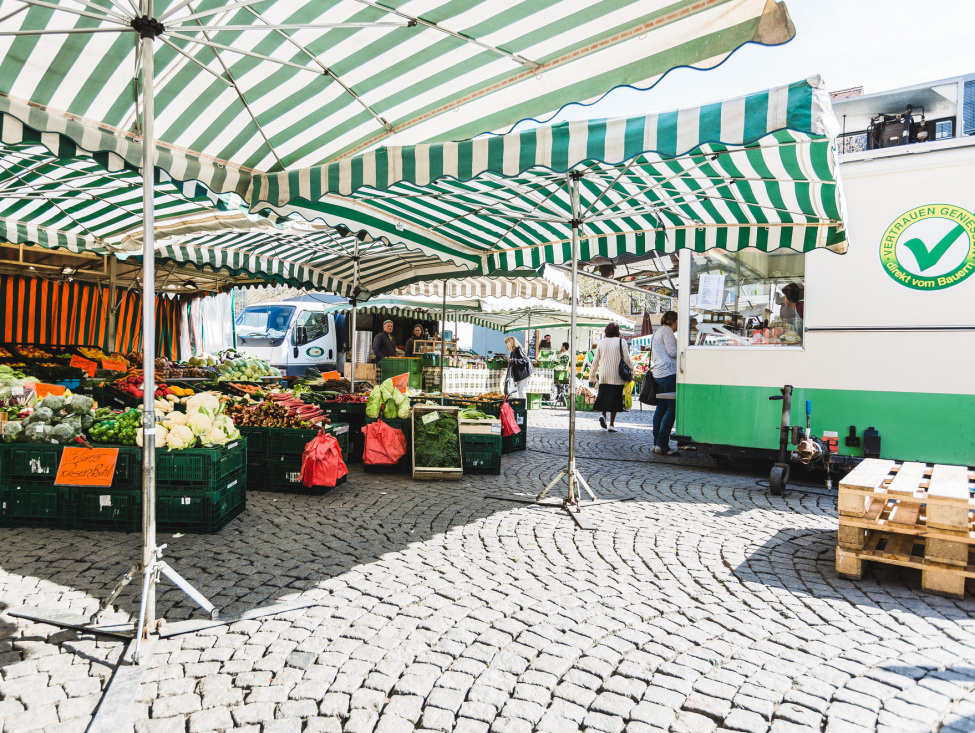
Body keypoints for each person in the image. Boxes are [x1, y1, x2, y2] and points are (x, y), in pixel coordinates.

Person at [589, 322, 635, 433]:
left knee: (604, 396)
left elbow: (595, 361)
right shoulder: (621, 341)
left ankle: (603, 415)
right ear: (617, 331)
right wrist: (632, 371)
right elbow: (627, 359)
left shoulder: (601, 342)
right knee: (615, 401)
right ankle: (611, 424)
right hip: (617, 376)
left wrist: (592, 377)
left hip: (604, 375)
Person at [650, 310, 678, 455]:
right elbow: (672, 352)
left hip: (658, 374)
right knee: (672, 409)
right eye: (677, 321)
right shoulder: (667, 331)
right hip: (669, 372)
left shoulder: (657, 331)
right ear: (672, 320)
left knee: (661, 408)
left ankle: (656, 443)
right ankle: (662, 444)